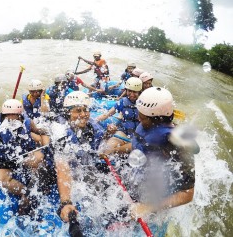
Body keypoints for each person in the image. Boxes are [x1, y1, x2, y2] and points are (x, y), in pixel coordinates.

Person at [125, 87, 198, 220]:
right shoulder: (148, 127)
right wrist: (113, 150)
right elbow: (141, 145)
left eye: (142, 117)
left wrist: (147, 208)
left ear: (157, 119)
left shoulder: (179, 145)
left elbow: (187, 194)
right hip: (139, 181)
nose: (138, 119)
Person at [0, 99, 51, 215]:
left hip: (22, 156)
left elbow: (39, 132)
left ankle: (39, 184)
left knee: (40, 158)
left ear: (20, 114)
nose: (11, 117)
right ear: (3, 114)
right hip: (4, 161)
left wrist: (46, 143)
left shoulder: (27, 122)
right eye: (8, 115)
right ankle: (26, 192)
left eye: (15, 115)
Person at [53, 91, 113, 223]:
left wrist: (108, 135)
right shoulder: (61, 132)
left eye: (85, 110)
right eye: (77, 110)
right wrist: (66, 202)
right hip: (59, 171)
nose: (83, 114)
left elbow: (99, 146)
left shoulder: (92, 126)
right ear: (68, 113)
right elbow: (62, 165)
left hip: (84, 167)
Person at [96, 77, 143, 155]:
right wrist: (95, 120)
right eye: (129, 91)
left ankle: (119, 150)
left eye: (135, 92)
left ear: (139, 92)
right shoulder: (122, 102)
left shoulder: (144, 103)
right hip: (124, 132)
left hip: (138, 135)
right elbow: (107, 114)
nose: (131, 94)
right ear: (126, 90)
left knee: (124, 149)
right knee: (107, 150)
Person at [22, 79, 50, 145]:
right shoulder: (25, 98)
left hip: (41, 122)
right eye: (32, 92)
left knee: (45, 140)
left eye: (37, 92)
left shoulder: (45, 97)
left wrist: (42, 96)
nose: (34, 94)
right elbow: (21, 112)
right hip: (30, 123)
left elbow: (45, 111)